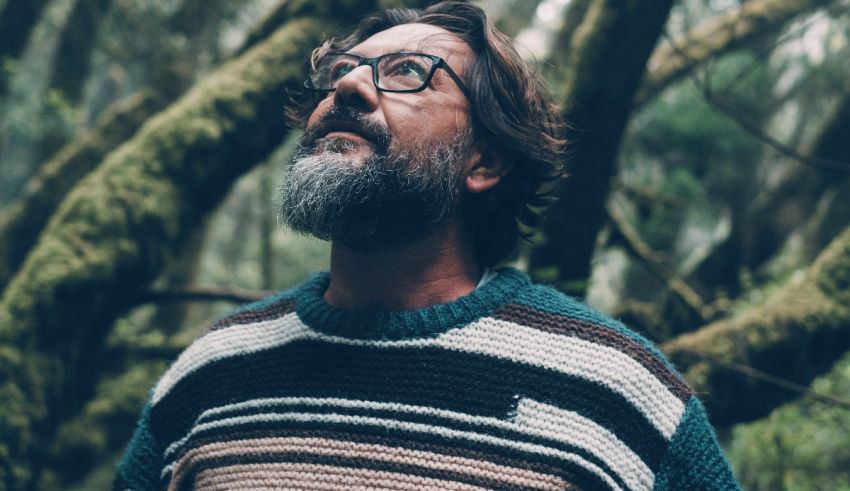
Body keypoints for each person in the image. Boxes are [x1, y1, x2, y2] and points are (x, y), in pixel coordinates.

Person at [115, 2, 740, 489]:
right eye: (341, 72)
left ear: (485, 161)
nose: (349, 88)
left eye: (407, 73)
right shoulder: (211, 370)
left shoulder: (615, 391)